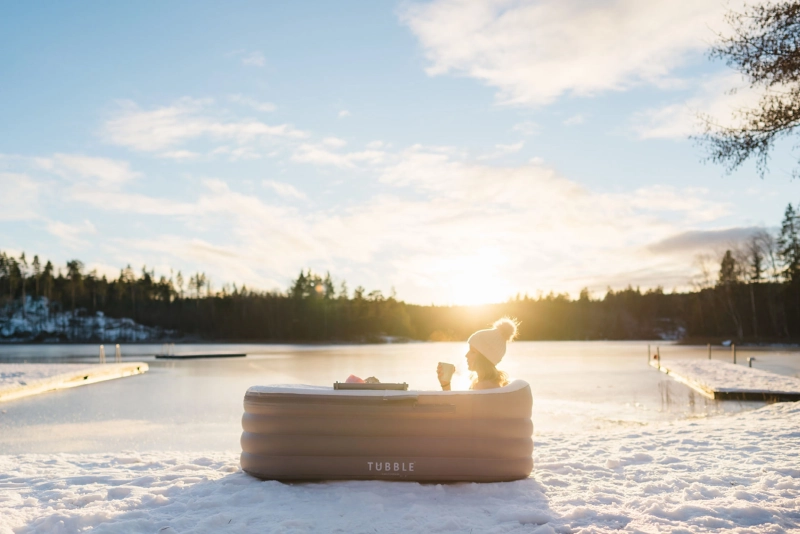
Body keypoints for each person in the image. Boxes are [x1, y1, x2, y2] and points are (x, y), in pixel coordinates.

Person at [437, 317, 519, 391]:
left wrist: (446, 386)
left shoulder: (482, 387)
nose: (466, 355)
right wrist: (446, 383)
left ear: (484, 358)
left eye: (473, 352)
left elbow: (458, 408)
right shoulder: (493, 384)